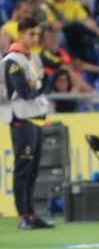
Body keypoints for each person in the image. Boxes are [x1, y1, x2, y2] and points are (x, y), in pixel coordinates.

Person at [1, 19, 52, 229]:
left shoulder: (33, 57)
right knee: (23, 168)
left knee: (32, 170)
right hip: (21, 118)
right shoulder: (12, 60)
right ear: (20, 34)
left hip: (35, 117)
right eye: (31, 34)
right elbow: (24, 91)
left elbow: (42, 83)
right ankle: (23, 216)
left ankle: (31, 214)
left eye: (37, 34)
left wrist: (37, 85)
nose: (35, 38)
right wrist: (37, 85)